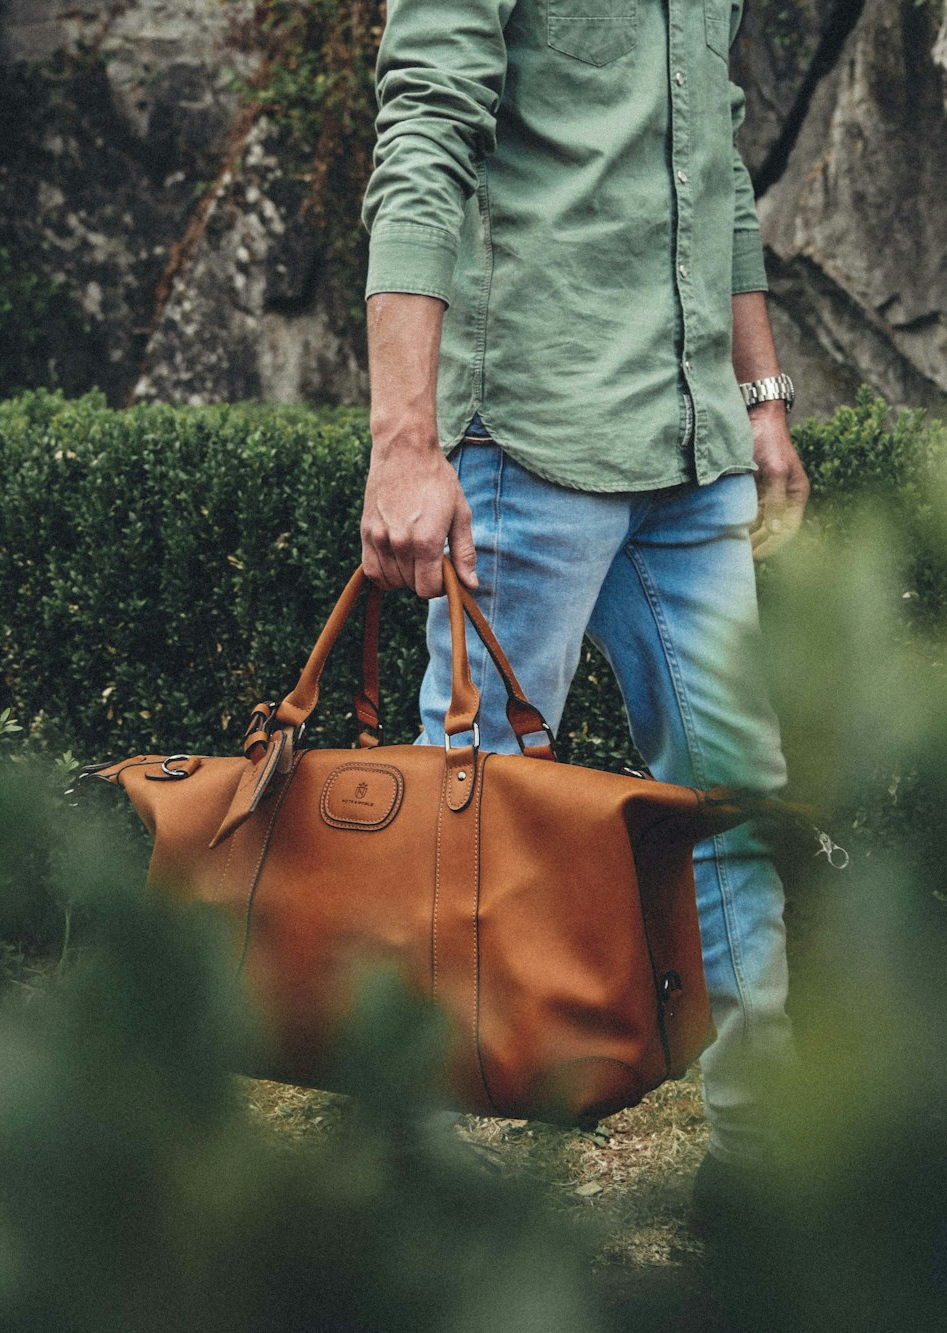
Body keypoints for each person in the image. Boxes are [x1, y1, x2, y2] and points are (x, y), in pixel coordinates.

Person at [358, 0, 810, 1227]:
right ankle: (444, 1194)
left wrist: (758, 396)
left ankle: (759, 1175)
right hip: (530, 434)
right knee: (477, 813)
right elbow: (424, 139)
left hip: (691, 445)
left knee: (736, 797)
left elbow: (712, 171)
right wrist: (405, 444)